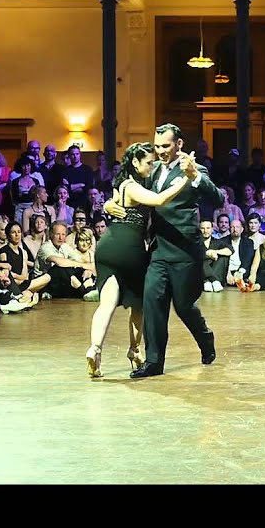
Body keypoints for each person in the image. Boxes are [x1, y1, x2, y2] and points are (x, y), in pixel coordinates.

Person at [116, 124, 221, 378]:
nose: (161, 151)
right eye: (157, 146)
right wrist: (112, 204)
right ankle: (154, 363)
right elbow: (131, 192)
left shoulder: (195, 169)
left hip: (185, 250)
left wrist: (194, 175)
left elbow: (218, 199)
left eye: (166, 146)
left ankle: (205, 339)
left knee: (184, 306)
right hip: (158, 249)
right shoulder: (152, 172)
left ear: (179, 145)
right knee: (153, 302)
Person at [85, 142, 186, 378]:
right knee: (139, 305)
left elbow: (112, 203)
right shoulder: (131, 186)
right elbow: (160, 200)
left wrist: (110, 204)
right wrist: (185, 181)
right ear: (135, 162)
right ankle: (134, 350)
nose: (151, 166)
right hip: (127, 247)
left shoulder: (121, 184)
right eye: (148, 162)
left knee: (107, 304)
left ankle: (95, 349)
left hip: (107, 245)